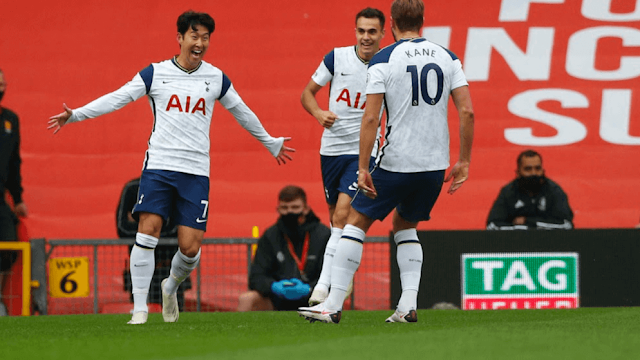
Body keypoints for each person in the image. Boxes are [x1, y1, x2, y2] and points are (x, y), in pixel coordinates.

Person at [48, 10, 295, 325]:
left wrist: (270, 141)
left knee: (190, 249)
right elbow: (119, 98)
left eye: (205, 37)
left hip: (195, 172)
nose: (200, 43)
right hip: (160, 167)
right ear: (180, 38)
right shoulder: (155, 73)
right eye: (194, 36)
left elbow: (242, 111)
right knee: (147, 231)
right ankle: (139, 309)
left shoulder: (216, 77)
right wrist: (77, 114)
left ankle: (171, 285)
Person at [298, 0, 474, 324]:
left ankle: (331, 303)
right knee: (405, 225)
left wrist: (363, 167)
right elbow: (467, 111)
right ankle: (407, 306)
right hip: (435, 165)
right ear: (422, 21)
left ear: (391, 23)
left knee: (354, 222)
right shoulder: (448, 57)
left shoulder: (383, 58)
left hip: (395, 162)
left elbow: (370, 118)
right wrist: (463, 161)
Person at [300, 7, 385, 306]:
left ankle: (324, 287)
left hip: (362, 153)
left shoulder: (388, 64)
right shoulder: (336, 58)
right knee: (338, 220)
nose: (366, 37)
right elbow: (307, 94)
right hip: (331, 151)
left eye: (372, 32)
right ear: (355, 32)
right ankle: (342, 280)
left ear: (382, 34)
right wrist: (318, 112)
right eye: (361, 31)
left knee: (342, 215)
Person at [237, 185, 330, 311]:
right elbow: (256, 277)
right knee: (247, 299)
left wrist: (309, 289)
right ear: (278, 209)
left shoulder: (323, 235)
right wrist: (274, 286)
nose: (289, 212)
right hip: (277, 300)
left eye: (295, 207)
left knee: (331, 297)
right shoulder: (270, 236)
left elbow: (333, 278)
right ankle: (241, 330)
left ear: (306, 209)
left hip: (315, 298)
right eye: (284, 208)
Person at [117, 177, 191, 312]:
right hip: (139, 268)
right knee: (141, 315)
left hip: (169, 268)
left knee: (174, 315)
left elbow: (176, 228)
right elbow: (122, 228)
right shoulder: (133, 188)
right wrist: (158, 228)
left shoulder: (174, 189)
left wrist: (142, 228)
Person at [486, 150, 573, 230]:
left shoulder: (554, 191)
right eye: (528, 169)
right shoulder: (508, 192)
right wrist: (523, 229)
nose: (534, 173)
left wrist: (528, 221)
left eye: (537, 168)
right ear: (518, 173)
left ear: (543, 170)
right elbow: (492, 226)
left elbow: (566, 225)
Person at [0, 68, 28, 317]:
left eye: (3, 83)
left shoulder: (10, 120)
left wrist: (17, 198)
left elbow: (13, 164)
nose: (2, 87)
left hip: (1, 199)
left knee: (8, 245)